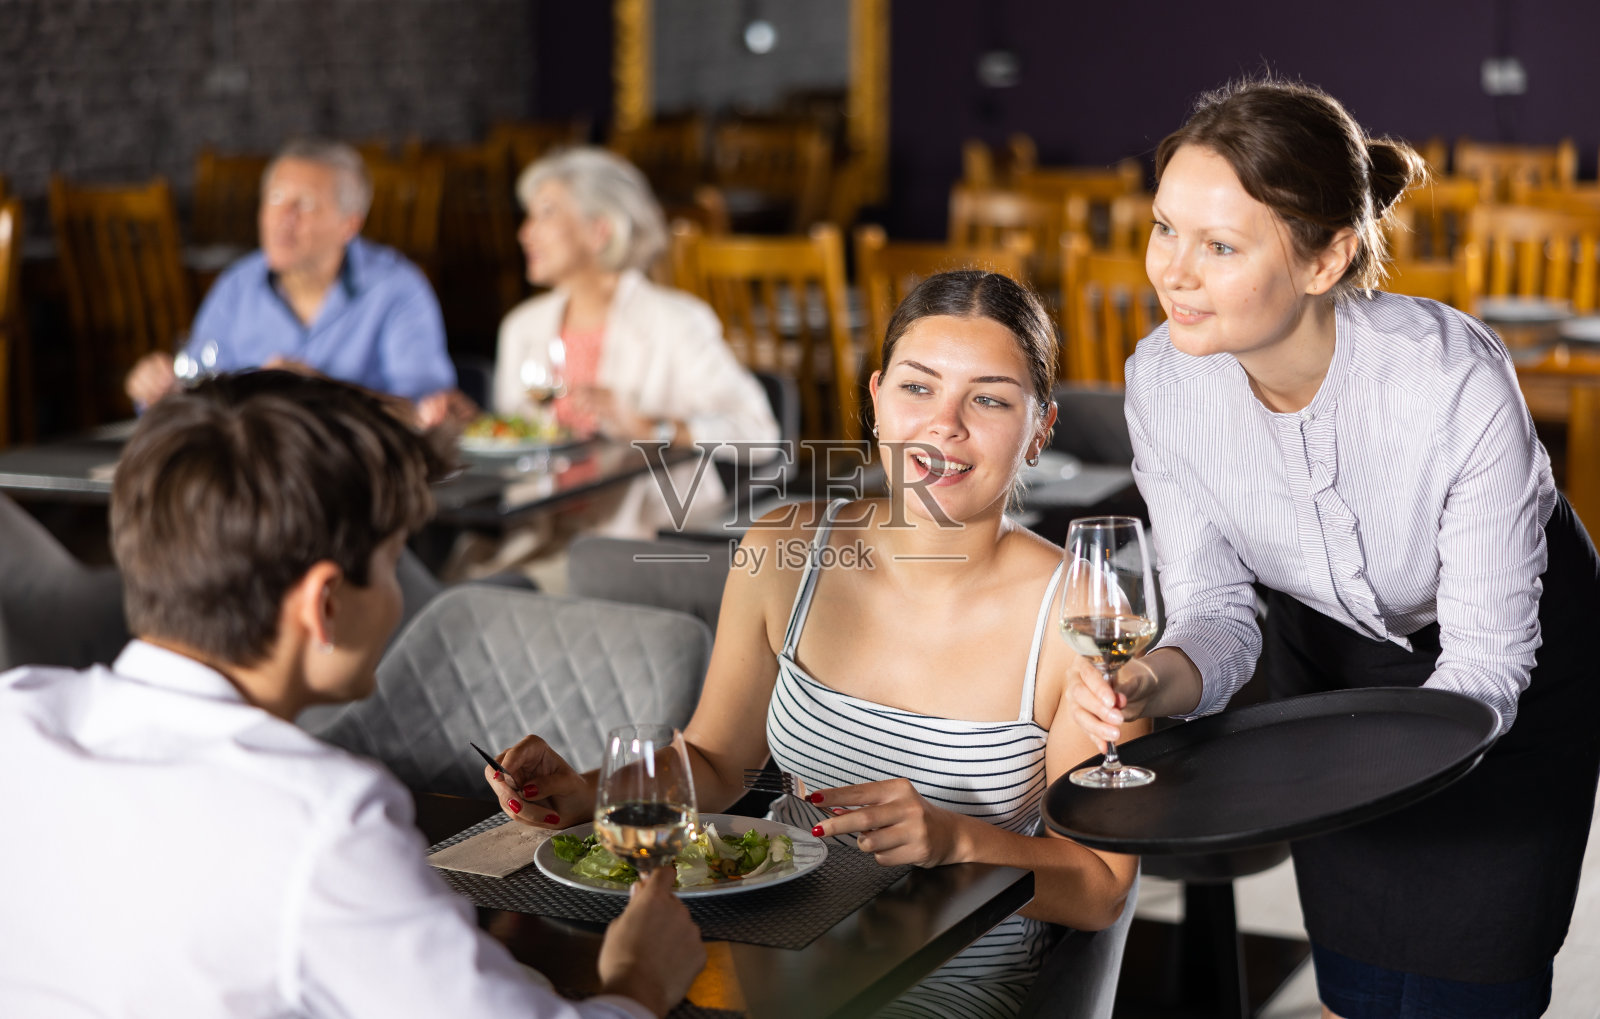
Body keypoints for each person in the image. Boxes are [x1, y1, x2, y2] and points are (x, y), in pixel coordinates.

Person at [1068, 78, 1600, 1019]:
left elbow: (1482, 667)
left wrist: (1368, 772)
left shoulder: (1449, 383)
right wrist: (1156, 676)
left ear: (1329, 260)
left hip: (1511, 658)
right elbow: (1221, 616)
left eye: (1220, 245)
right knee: (1356, 974)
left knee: (1468, 980)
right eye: (1164, 228)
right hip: (1336, 660)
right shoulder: (1163, 383)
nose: (1172, 272)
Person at [482, 271, 1144, 1017]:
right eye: (917, 388)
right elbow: (716, 762)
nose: (944, 424)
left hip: (946, 985)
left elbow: (1101, 887)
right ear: (876, 399)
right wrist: (590, 794)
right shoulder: (785, 549)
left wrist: (952, 839)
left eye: (988, 398)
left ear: (1040, 429)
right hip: (765, 962)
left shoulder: (1082, 613)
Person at [0, 371, 705, 1018]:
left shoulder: (17, 718)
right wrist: (638, 980)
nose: (400, 593)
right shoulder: (322, 826)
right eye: (394, 559)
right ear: (325, 603)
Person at [423, 146, 778, 548]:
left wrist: (655, 428)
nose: (525, 232)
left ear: (599, 230)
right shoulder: (523, 326)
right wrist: (474, 428)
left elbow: (760, 434)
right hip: (535, 536)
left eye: (545, 213)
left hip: (638, 542)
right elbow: (529, 447)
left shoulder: (676, 322)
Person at [125, 139, 457, 409]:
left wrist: (319, 388)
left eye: (306, 204)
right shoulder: (237, 285)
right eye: (276, 198)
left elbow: (425, 413)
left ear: (349, 225)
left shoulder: (396, 287)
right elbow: (196, 388)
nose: (284, 217)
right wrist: (159, 387)